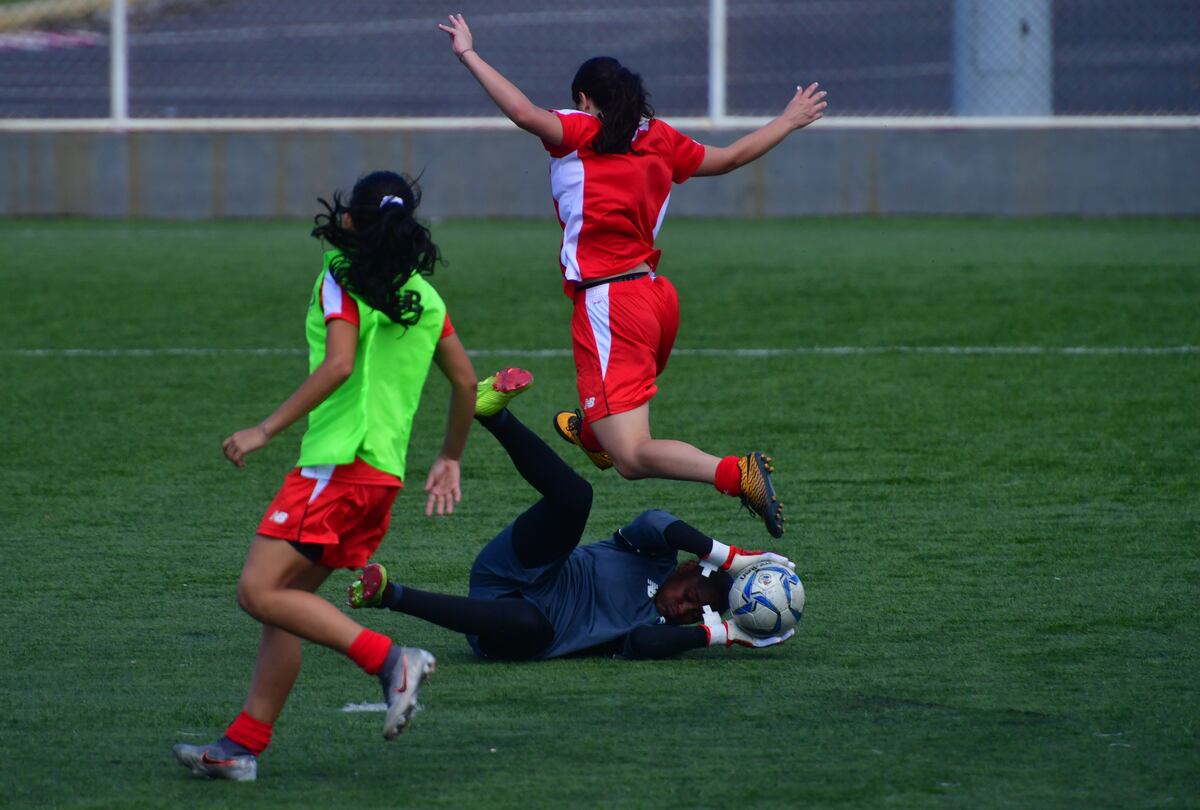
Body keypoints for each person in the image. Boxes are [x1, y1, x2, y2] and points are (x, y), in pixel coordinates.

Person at [438, 14, 829, 539]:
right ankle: (593, 432)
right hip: (655, 299)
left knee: (632, 457)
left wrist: (468, 53)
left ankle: (737, 474)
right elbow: (732, 157)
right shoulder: (661, 139)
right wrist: (788, 119)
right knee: (612, 432)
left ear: (583, 99)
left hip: (610, 307)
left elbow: (521, 111)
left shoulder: (581, 133)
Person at [173, 171, 484, 783]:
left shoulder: (340, 277)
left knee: (258, 591)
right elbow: (468, 383)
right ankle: (241, 746)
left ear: (349, 218)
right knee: (285, 606)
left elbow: (340, 364)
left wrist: (264, 429)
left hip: (338, 466)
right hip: (381, 477)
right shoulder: (426, 296)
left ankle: (391, 660)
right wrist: (449, 456)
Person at [346, 369, 797, 661]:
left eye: (698, 612)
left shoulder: (660, 629)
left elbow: (640, 645)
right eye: (694, 592)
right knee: (576, 497)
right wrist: (728, 555)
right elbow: (659, 520)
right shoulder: (651, 553)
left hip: (507, 626)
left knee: (532, 624)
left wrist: (725, 633)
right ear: (688, 565)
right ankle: (491, 414)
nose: (685, 607)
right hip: (518, 569)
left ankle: (391, 595)